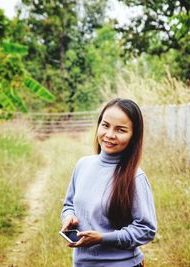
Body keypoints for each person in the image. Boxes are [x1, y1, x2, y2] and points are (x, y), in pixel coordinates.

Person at [60, 98, 157, 267]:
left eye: (120, 130)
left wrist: (102, 238)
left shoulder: (135, 178)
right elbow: (69, 204)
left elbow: (146, 230)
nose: (110, 135)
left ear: (134, 136)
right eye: (105, 125)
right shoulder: (83, 165)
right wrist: (69, 216)